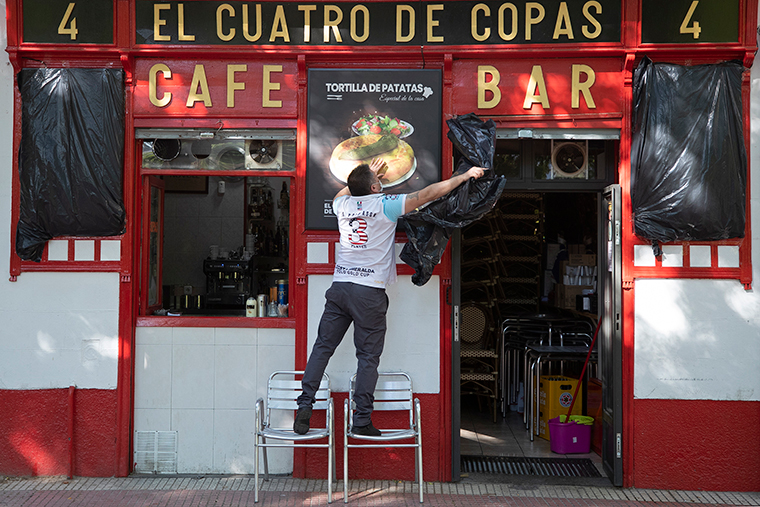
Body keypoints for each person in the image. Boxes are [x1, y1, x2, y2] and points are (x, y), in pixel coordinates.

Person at [294, 158, 486, 436]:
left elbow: (342, 193)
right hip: (368, 292)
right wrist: (465, 175)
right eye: (377, 179)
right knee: (368, 357)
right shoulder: (386, 204)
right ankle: (361, 421)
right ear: (375, 186)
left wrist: (364, 180)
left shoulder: (343, 206)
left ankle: (305, 408)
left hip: (340, 287)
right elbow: (430, 193)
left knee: (322, 347)